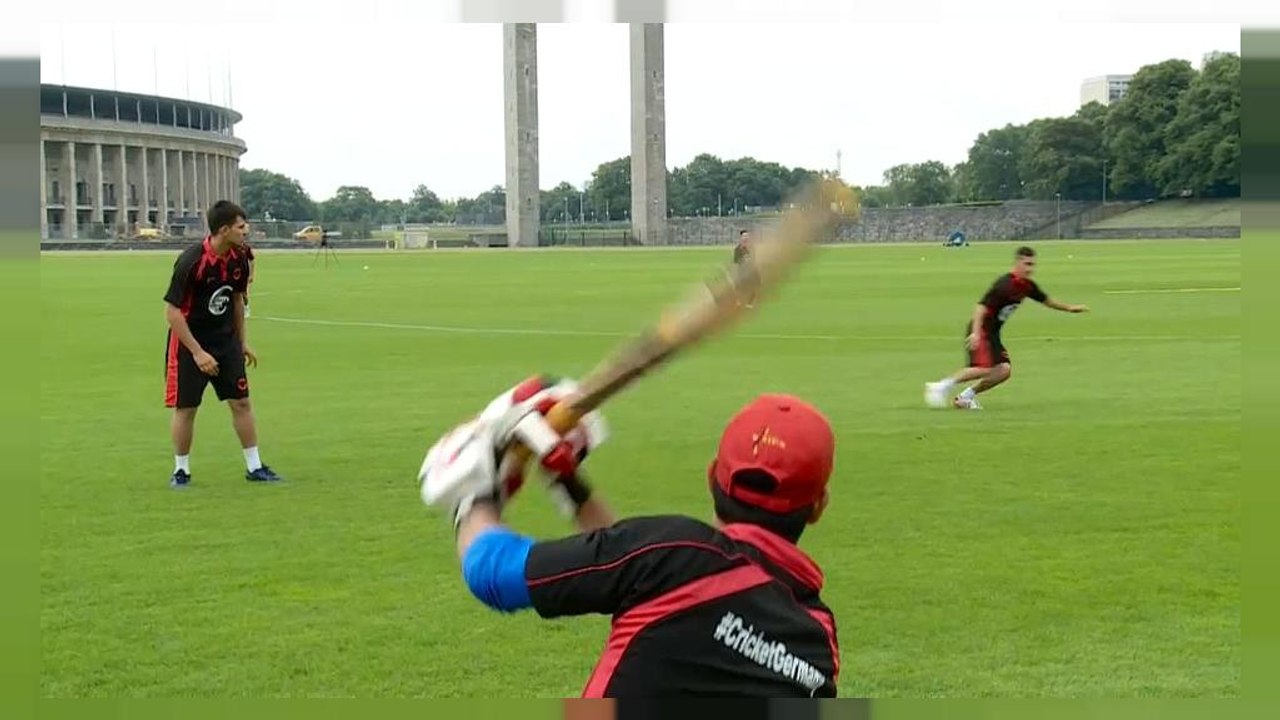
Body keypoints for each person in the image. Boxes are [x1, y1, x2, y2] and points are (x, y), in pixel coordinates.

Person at [419, 376, 841, 698]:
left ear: (713, 476)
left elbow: (492, 572)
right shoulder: (819, 642)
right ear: (818, 506)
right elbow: (638, 572)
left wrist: (473, 490)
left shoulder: (673, 555)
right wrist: (567, 479)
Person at [163, 200, 283, 487]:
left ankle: (255, 467)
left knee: (241, 402)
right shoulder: (192, 261)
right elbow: (172, 312)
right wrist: (198, 352)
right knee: (187, 408)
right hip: (190, 344)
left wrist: (242, 342)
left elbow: (237, 301)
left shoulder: (239, 258)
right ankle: (181, 471)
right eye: (241, 227)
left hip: (225, 341)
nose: (247, 231)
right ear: (224, 229)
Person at [924, 245, 1089, 410]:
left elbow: (1047, 300)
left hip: (993, 333)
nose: (1030, 268)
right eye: (1027, 264)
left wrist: (1069, 308)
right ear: (1018, 263)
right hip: (982, 329)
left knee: (1003, 370)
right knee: (984, 368)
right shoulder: (1004, 285)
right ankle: (940, 387)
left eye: (1032, 264)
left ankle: (965, 397)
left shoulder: (1027, 286)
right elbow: (981, 307)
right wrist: (975, 332)